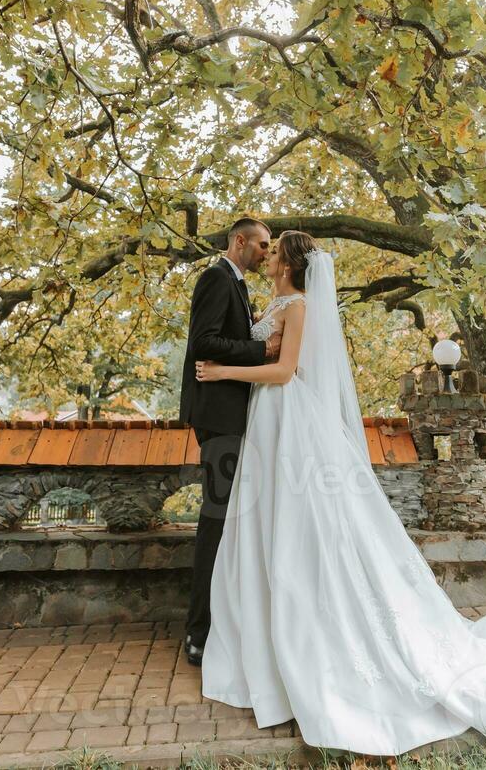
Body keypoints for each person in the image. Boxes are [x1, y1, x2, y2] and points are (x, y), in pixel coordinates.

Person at [193, 231, 486, 756]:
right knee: (271, 521)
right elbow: (268, 349)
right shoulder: (277, 301)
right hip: (268, 421)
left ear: (290, 263)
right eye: (267, 247)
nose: (269, 253)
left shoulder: (297, 305)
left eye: (275, 249)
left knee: (304, 522)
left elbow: (283, 371)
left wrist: (224, 370)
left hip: (288, 418)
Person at [178, 217, 281, 666]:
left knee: (230, 519)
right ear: (239, 242)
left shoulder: (238, 283)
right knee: (216, 519)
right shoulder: (217, 278)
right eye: (261, 244)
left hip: (233, 416)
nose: (265, 251)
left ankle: (224, 618)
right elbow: (204, 343)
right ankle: (198, 632)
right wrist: (262, 351)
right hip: (219, 417)